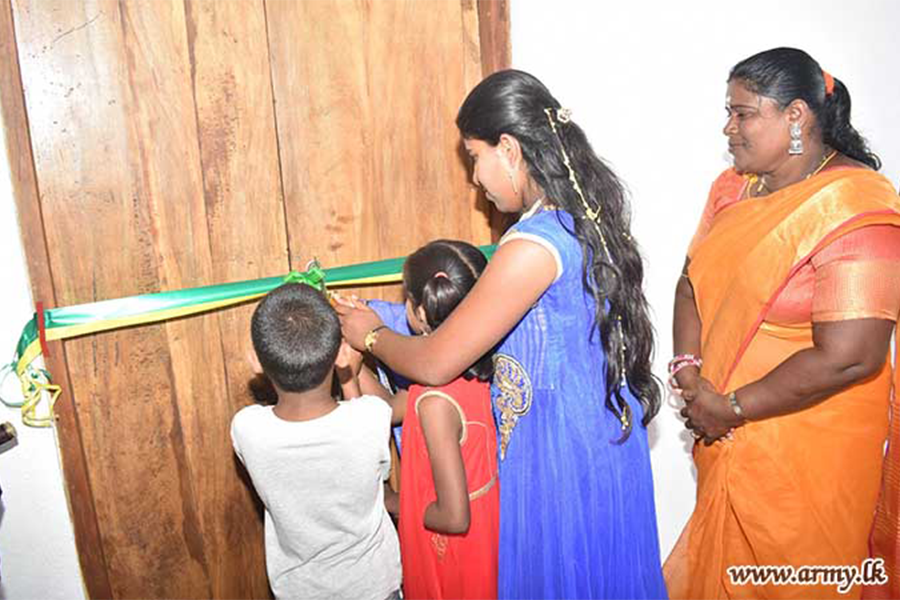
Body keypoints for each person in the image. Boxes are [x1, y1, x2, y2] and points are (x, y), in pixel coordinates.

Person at [337, 69, 667, 599]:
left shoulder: (533, 246)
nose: (475, 179)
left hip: (560, 456)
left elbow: (438, 360)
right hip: (587, 435)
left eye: (474, 157)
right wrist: (379, 315)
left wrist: (371, 334)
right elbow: (473, 318)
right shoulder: (577, 220)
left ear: (508, 149)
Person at [665, 47, 900, 600]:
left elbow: (852, 355)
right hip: (720, 425)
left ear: (795, 116)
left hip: (810, 450)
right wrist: (689, 373)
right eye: (729, 111)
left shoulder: (857, 205)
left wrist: (732, 407)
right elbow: (689, 283)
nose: (728, 127)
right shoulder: (732, 189)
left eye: (743, 113)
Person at [342, 239, 500, 600]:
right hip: (480, 538)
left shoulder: (435, 402)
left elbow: (454, 516)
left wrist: (399, 504)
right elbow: (390, 407)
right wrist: (355, 362)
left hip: (448, 549)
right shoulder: (465, 369)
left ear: (421, 313)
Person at [230, 283, 401, 600]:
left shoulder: (247, 428)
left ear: (255, 361)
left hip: (300, 591)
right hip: (373, 586)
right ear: (339, 353)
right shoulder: (370, 418)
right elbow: (371, 443)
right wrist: (349, 377)